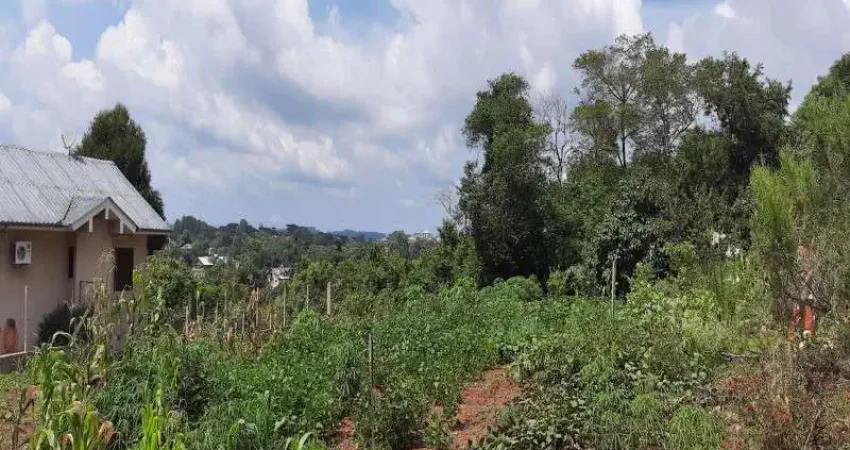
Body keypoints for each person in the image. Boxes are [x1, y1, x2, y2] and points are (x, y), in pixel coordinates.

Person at [788, 245, 815, 341]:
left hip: (807, 294)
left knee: (807, 311)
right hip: (799, 293)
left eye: (803, 250)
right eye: (799, 250)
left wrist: (807, 278)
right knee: (797, 311)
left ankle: (807, 334)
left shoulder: (811, 262)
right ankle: (793, 335)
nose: (801, 252)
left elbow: (810, 276)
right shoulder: (797, 263)